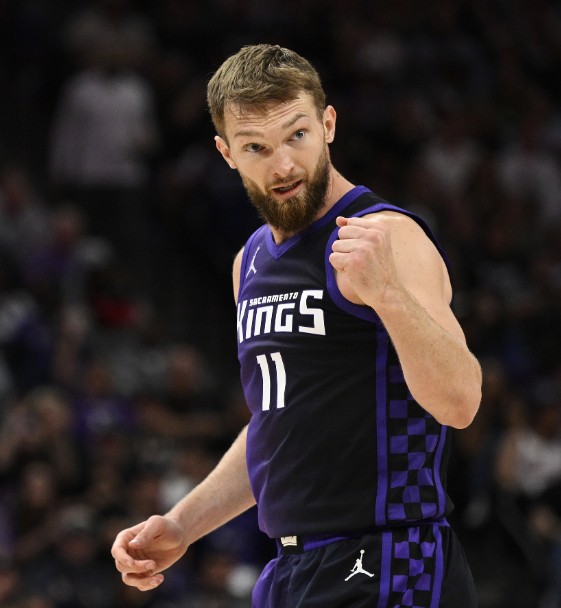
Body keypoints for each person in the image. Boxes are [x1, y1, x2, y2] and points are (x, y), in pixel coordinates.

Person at [111, 44, 482, 607]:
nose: (282, 165)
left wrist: (388, 295)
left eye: (297, 135)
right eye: (256, 147)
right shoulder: (250, 261)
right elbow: (277, 424)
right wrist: (184, 523)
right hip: (291, 567)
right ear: (226, 153)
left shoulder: (385, 236)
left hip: (391, 561)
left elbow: (461, 401)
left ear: (328, 125)